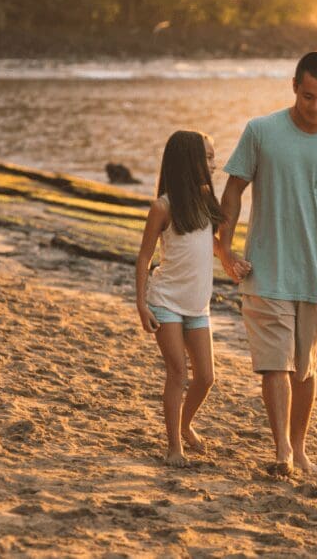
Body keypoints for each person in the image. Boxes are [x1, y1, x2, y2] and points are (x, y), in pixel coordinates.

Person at [218, 51, 317, 476]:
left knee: (305, 371)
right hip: (264, 271)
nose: (315, 107)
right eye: (308, 96)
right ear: (294, 86)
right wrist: (225, 247)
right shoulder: (261, 131)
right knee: (276, 365)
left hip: (316, 276)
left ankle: (299, 445)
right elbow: (234, 189)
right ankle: (281, 453)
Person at [135, 130, 251, 467]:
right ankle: (174, 446)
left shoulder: (204, 201)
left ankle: (186, 426)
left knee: (206, 377)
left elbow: (210, 243)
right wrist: (142, 304)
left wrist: (229, 261)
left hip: (198, 306)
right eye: (209, 158)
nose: (215, 165)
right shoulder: (162, 207)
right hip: (166, 302)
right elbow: (144, 257)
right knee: (177, 374)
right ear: (189, 162)